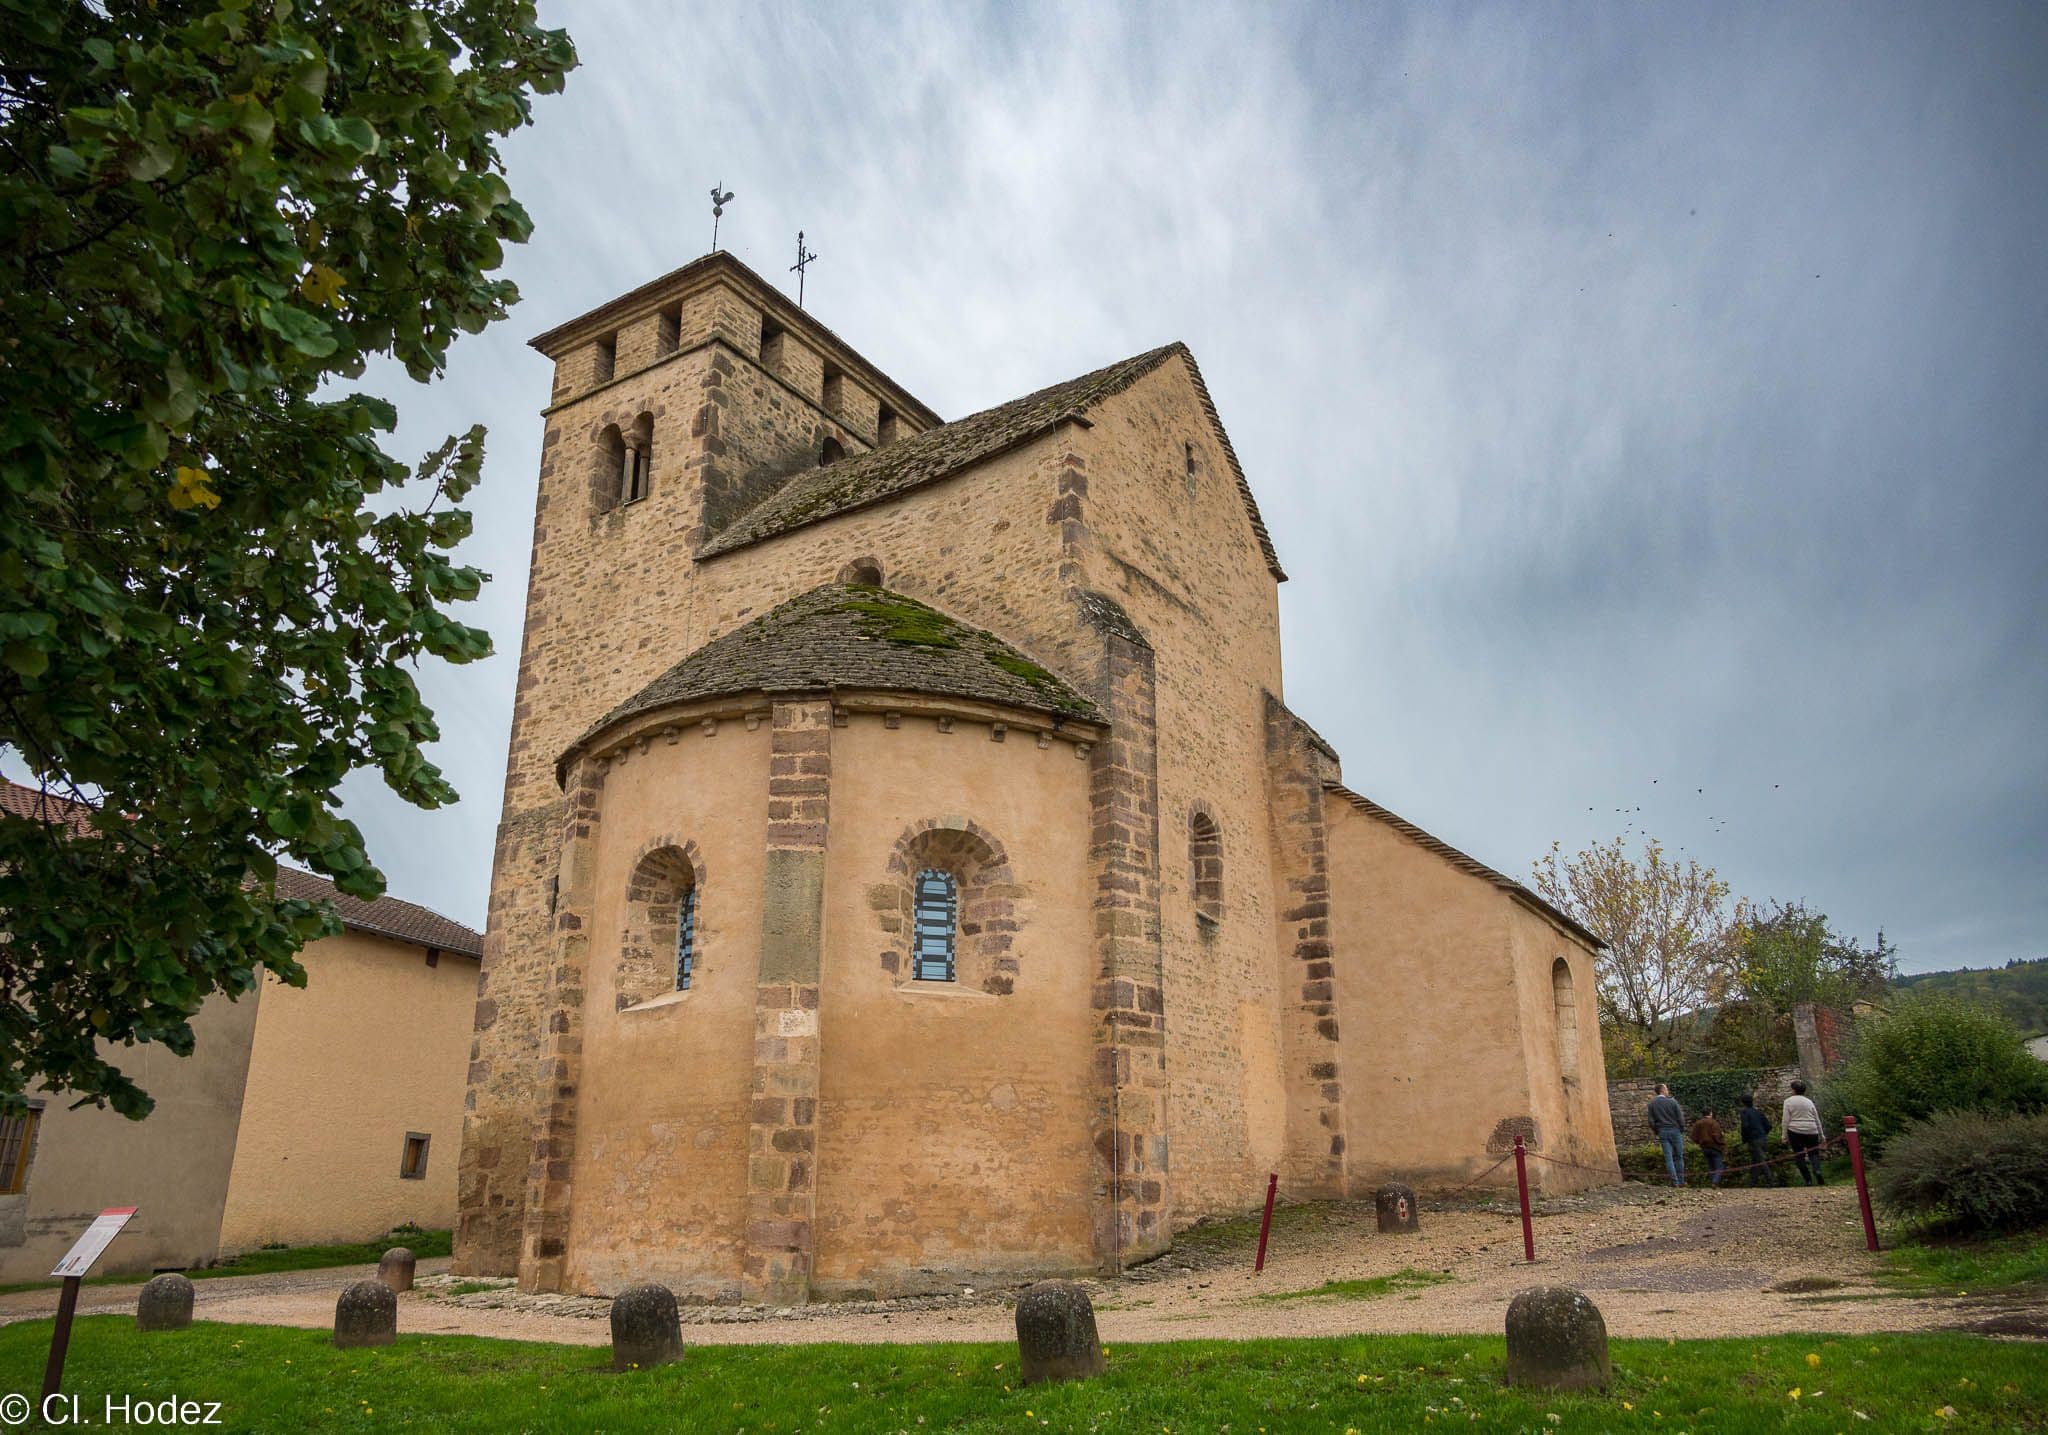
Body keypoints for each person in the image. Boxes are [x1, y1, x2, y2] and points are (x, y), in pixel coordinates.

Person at [1782, 1080, 1826, 1186]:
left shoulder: (1788, 1101)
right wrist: (1821, 1134)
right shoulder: (1809, 1101)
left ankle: (1808, 1180)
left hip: (1795, 1130)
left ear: (1793, 1090)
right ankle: (1817, 1171)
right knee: (1814, 1154)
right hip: (1812, 1129)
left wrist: (1784, 1135)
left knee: (1799, 1155)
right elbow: (1817, 1118)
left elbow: (1785, 1120)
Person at [1647, 1083, 1687, 1187]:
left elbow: (1651, 1122)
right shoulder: (1672, 1102)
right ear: (1663, 1090)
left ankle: (1675, 1182)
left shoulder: (1652, 1104)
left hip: (1662, 1131)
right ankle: (1681, 1181)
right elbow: (1680, 1118)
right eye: (1666, 1089)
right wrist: (1681, 1129)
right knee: (1679, 1156)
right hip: (1675, 1130)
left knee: (1668, 1158)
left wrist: (1657, 1131)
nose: (1668, 1090)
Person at [1737, 1092, 1781, 1187]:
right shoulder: (1758, 1112)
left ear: (1742, 1103)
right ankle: (1752, 1182)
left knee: (1760, 1160)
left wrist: (1744, 1139)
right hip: (1762, 1138)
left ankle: (1771, 1181)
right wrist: (1763, 1133)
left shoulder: (1744, 1113)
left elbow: (1745, 1127)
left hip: (1753, 1139)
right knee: (1756, 1160)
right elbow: (1768, 1125)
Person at [1689, 1107, 1727, 1187]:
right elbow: (1717, 1136)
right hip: (1714, 1147)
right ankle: (1715, 1182)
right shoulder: (1713, 1123)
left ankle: (1713, 1182)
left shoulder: (1698, 1123)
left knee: (1711, 1166)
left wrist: (1700, 1142)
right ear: (1710, 1113)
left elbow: (1693, 1137)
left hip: (1704, 1147)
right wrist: (1722, 1143)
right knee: (1719, 1166)